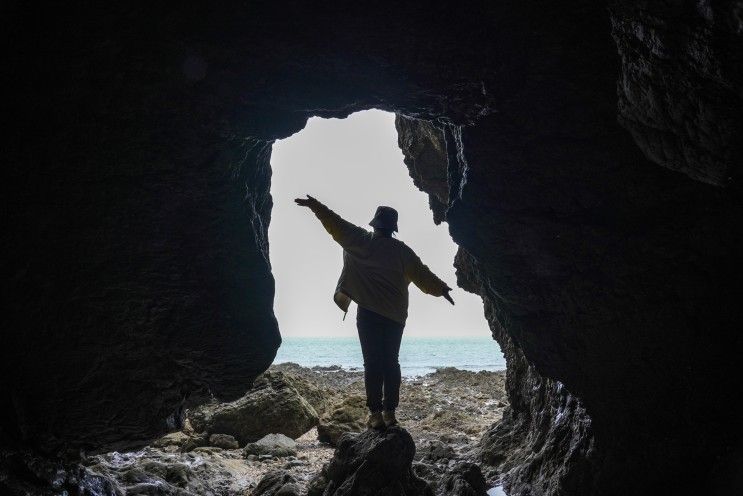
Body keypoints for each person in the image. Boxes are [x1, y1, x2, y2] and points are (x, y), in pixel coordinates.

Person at [295, 194, 454, 429]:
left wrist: (315, 206)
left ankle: (375, 415)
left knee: (372, 363)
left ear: (374, 224)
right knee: (391, 362)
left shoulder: (360, 240)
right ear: (393, 228)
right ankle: (390, 413)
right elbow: (422, 274)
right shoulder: (402, 251)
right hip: (395, 316)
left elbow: (335, 223)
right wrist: (442, 289)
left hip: (368, 313)